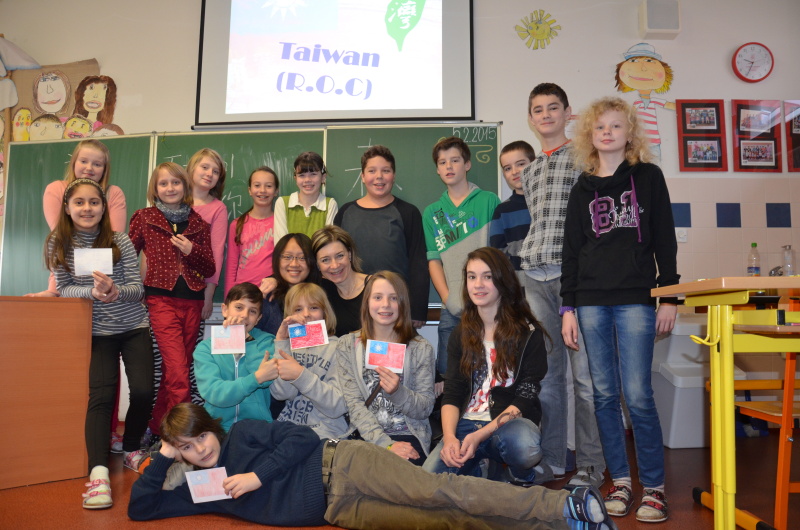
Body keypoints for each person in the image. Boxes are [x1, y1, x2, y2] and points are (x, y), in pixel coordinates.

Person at [128, 403, 617, 530]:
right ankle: (565, 524)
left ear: (213, 428)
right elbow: (141, 509)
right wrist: (163, 456)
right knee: (446, 522)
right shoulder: (204, 486)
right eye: (187, 448)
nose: (201, 450)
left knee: (443, 492)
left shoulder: (243, 434)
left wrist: (257, 476)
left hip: (344, 464)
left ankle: (561, 505)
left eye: (201, 437)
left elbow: (302, 438)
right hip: (339, 511)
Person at [560, 96, 679, 523]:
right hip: (590, 302)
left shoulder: (648, 177)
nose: (607, 132)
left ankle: (655, 489)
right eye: (599, 127)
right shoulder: (581, 187)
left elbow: (665, 237)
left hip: (636, 299)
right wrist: (568, 308)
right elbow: (571, 251)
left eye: (615, 125)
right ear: (589, 136)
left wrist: (669, 295)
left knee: (638, 395)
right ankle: (622, 482)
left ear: (630, 133)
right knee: (604, 396)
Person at [44, 178, 153, 509]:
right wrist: (92, 292)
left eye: (94, 202)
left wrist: (116, 291)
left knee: (144, 391)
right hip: (96, 332)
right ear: (67, 208)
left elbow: (137, 288)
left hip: (133, 326)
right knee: (102, 398)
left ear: (104, 207)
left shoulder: (119, 239)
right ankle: (99, 474)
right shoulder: (59, 242)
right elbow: (63, 288)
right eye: (79, 202)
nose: (87, 208)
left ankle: (131, 448)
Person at [518, 83, 606, 489]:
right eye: (538, 109)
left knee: (585, 379)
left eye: (553, 107)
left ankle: (590, 465)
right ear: (531, 118)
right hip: (534, 278)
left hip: (575, 279)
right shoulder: (530, 171)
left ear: (568, 113)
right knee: (549, 378)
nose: (546, 115)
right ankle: (553, 460)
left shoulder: (586, 159)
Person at [27, 138, 129, 452]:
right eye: (85, 161)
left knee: (105, 374)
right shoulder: (56, 189)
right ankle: (69, 434)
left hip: (106, 292)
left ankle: (107, 433)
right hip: (68, 288)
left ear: (105, 168)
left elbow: (110, 244)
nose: (90, 168)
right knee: (72, 371)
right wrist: (60, 289)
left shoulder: (113, 193)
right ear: (74, 162)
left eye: (98, 163)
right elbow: (64, 238)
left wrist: (99, 286)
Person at [423, 247, 545, 484]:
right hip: (465, 424)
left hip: (506, 425)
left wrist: (479, 435)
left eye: (487, 276)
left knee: (525, 447)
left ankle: (521, 475)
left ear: (503, 281)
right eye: (472, 277)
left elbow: (525, 397)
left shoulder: (529, 334)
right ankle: (479, 468)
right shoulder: (460, 333)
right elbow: (453, 392)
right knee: (428, 483)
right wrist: (450, 438)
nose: (478, 284)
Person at [128, 162, 215, 436]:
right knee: (178, 374)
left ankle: (157, 428)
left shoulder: (198, 223)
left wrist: (191, 250)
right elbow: (128, 255)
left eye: (175, 182)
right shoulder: (144, 217)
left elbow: (209, 268)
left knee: (175, 372)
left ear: (185, 186)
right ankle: (183, 438)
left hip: (193, 301)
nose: (170, 188)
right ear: (155, 188)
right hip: (160, 300)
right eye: (163, 183)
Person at [336, 271, 435, 466]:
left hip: (408, 435)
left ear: (403, 304)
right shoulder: (347, 345)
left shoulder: (421, 348)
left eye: (393, 298)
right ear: (367, 302)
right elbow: (354, 404)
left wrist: (398, 392)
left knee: (400, 476)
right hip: (365, 436)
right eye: (378, 297)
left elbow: (425, 408)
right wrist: (386, 444)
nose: (385, 305)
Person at [422, 136, 500, 377]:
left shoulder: (489, 201)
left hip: (488, 304)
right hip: (452, 308)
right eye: (442, 162)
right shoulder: (432, 213)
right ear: (437, 169)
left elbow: (498, 255)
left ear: (467, 164)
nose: (449, 166)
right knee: (449, 374)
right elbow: (434, 261)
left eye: (455, 160)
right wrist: (448, 298)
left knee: (491, 373)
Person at [334, 145, 430, 327]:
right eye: (372, 171)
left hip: (394, 306)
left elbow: (418, 263)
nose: (379, 176)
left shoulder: (408, 213)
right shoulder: (345, 212)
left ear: (393, 176)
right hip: (352, 306)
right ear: (363, 176)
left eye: (385, 171)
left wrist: (417, 309)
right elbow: (335, 261)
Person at [193, 282, 278, 431]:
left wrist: (247, 340)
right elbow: (214, 393)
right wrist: (255, 379)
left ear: (258, 319)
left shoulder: (266, 342)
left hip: (258, 427)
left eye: (252, 311)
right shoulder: (205, 348)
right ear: (225, 310)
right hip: (217, 428)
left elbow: (266, 379)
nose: (244, 315)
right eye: (239, 307)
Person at [270, 282, 349, 439]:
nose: (306, 314)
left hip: (326, 433)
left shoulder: (339, 348)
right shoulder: (287, 346)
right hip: (288, 429)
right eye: (298, 309)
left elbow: (337, 406)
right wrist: (281, 342)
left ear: (325, 313)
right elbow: (281, 394)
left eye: (314, 307)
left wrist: (300, 375)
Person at [186, 148, 228, 321]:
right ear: (192, 168)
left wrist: (208, 295)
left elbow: (216, 254)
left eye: (216, 171)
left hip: (198, 289)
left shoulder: (218, 209)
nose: (210, 173)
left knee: (191, 337)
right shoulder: (172, 199)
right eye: (205, 167)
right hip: (165, 289)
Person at [224, 166, 279, 297]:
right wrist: (228, 298)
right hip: (243, 294)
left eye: (269, 186)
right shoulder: (237, 224)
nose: (262, 190)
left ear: (276, 191)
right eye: (257, 185)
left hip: (271, 293)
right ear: (250, 190)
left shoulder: (281, 223)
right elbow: (232, 264)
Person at [254, 232, 321, 335]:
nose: (294, 264)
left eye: (302, 258)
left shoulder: (323, 292)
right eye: (287, 257)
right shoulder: (267, 296)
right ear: (277, 260)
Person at [312, 225, 370, 337]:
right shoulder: (320, 292)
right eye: (325, 260)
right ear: (317, 265)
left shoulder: (376, 287)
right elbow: (310, 340)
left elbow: (395, 333)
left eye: (339, 256)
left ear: (350, 254)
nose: (335, 265)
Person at [489, 140, 536, 277]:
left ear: (535, 164)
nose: (515, 172)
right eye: (507, 168)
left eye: (520, 164)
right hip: (519, 284)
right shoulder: (502, 211)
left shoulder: (549, 203)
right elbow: (498, 256)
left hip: (554, 282)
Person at [273, 151, 338, 241]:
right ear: (295, 178)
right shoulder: (283, 203)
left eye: (313, 174)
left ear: (323, 177)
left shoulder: (330, 204)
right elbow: (281, 243)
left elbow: (328, 244)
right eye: (302, 175)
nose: (307, 180)